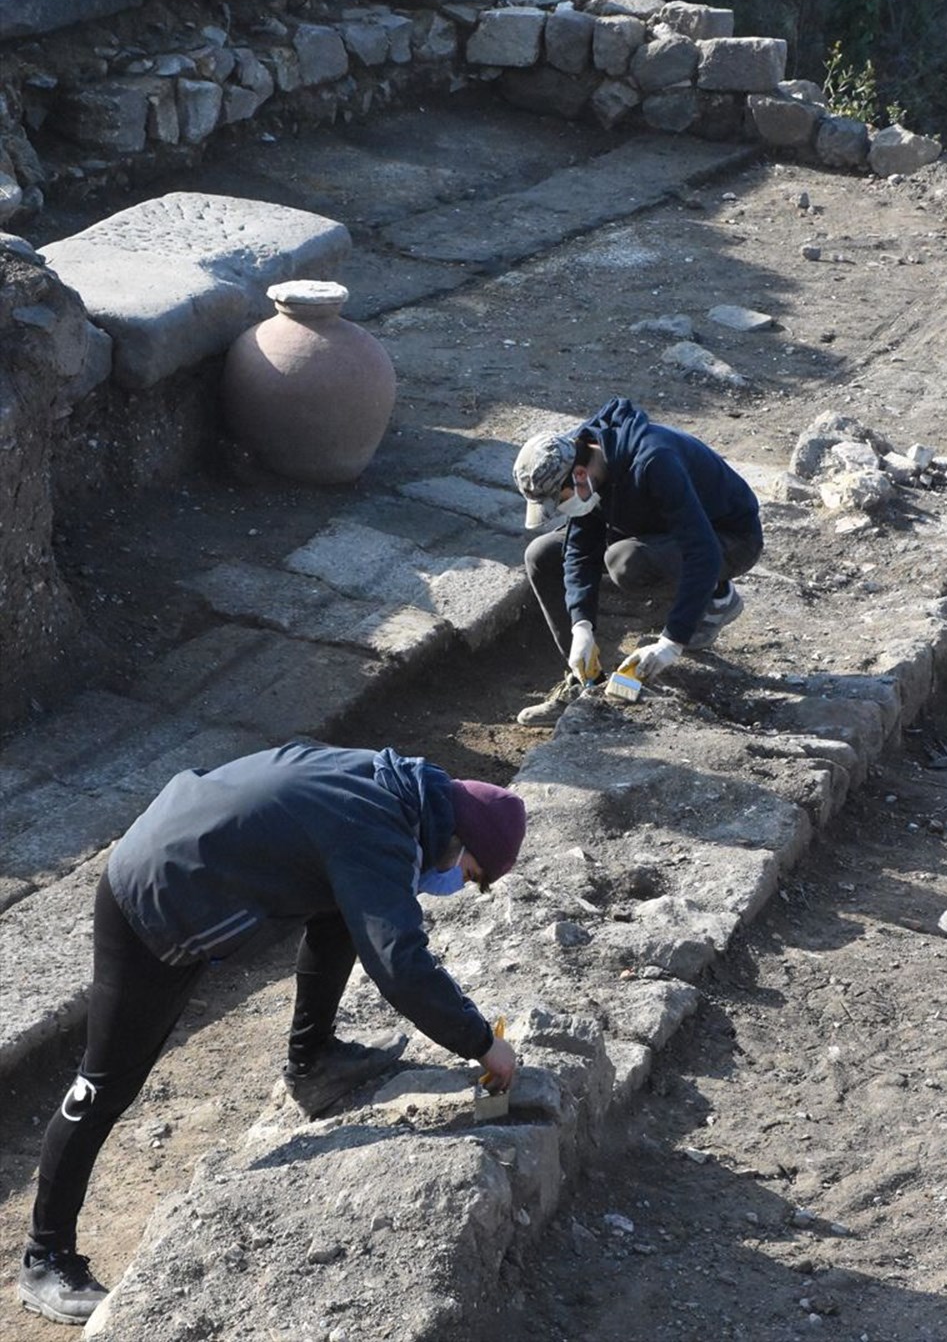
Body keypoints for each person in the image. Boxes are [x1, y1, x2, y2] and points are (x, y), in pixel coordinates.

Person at [19, 741, 526, 1326]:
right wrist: (483, 1042)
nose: (456, 882)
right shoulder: (379, 831)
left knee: (343, 909)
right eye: (470, 874)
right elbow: (402, 966)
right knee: (103, 1082)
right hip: (156, 895)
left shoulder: (394, 787)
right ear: (459, 839)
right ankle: (44, 1256)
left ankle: (313, 1061)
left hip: (183, 845)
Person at [512, 396, 764, 725]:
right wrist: (581, 627)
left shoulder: (654, 460)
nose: (559, 510)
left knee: (627, 563)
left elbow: (702, 551)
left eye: (558, 500)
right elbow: (578, 549)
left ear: (579, 474)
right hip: (651, 525)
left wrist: (671, 642)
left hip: (728, 537)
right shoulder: (587, 462)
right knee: (542, 554)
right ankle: (586, 682)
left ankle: (716, 597)